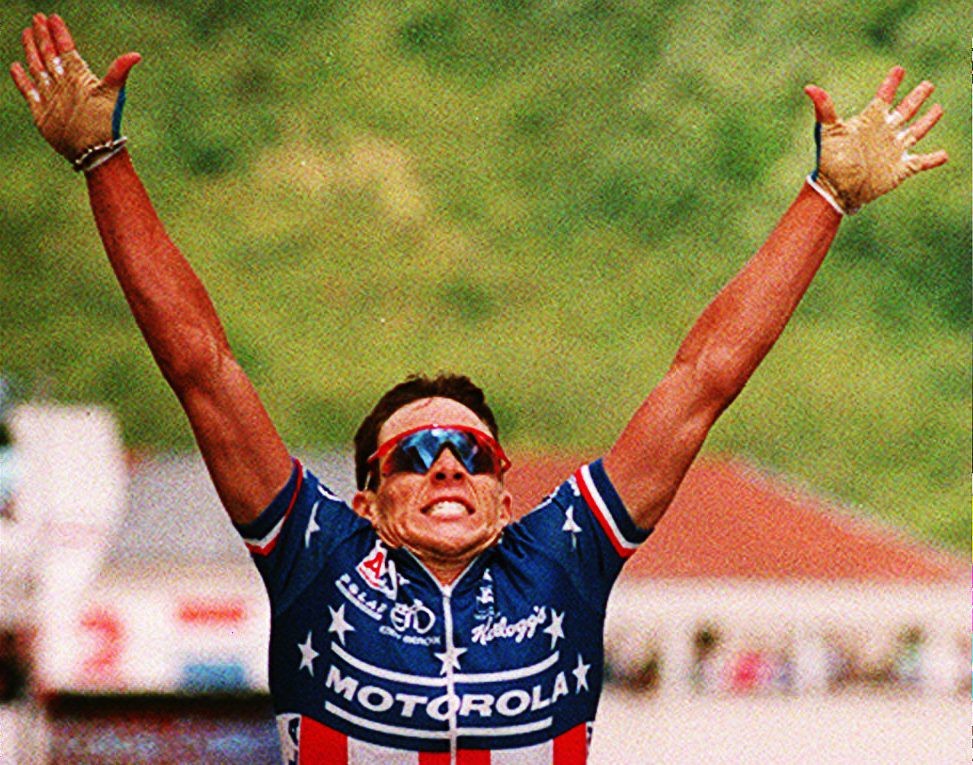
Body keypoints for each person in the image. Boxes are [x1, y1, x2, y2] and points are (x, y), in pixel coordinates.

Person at [10, 12, 947, 764]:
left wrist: (824, 201)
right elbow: (200, 364)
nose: (448, 463)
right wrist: (105, 162)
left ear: (507, 488)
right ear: (367, 499)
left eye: (472, 452)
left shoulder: (564, 554)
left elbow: (702, 378)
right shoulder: (315, 555)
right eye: (414, 455)